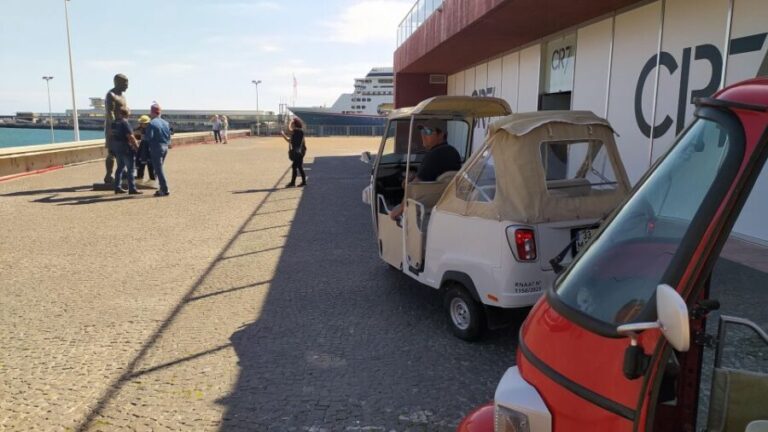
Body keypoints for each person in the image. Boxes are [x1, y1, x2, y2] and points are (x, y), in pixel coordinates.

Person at [389, 121, 461, 220]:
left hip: (426, 205)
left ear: (441, 135)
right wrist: (413, 177)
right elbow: (431, 174)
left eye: (428, 132)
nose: (423, 135)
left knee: (393, 210)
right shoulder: (453, 152)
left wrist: (401, 207)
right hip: (447, 202)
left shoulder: (434, 155)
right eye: (422, 131)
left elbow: (414, 187)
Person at [104, 73, 129, 184]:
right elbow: (110, 113)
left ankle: (123, 172)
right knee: (112, 152)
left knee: (122, 150)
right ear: (117, 82)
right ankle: (108, 175)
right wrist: (115, 127)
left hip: (122, 127)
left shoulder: (122, 96)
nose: (127, 86)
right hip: (113, 128)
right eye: (125, 83)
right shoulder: (111, 95)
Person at [111, 107, 141, 195]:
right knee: (130, 169)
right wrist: (137, 148)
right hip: (126, 148)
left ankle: (117, 187)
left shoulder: (114, 123)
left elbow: (111, 135)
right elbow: (130, 136)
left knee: (119, 168)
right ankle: (132, 188)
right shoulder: (125, 123)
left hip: (117, 148)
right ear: (128, 114)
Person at [146, 103, 172, 197]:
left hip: (156, 147)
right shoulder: (166, 123)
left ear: (152, 112)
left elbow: (148, 137)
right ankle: (161, 187)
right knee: (159, 168)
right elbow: (169, 136)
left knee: (158, 169)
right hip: (165, 146)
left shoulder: (152, 123)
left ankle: (164, 189)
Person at [281, 118, 307, 187]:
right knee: (299, 167)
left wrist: (290, 122)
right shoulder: (298, 132)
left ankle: (293, 183)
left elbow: (289, 130)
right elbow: (289, 140)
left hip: (298, 152)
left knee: (295, 166)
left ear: (295, 124)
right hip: (300, 152)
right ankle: (303, 182)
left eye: (292, 124)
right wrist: (283, 135)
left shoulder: (298, 131)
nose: (291, 125)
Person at [134, 115, 155, 183]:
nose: (140, 124)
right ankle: (140, 177)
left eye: (141, 123)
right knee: (141, 163)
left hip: (148, 148)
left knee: (150, 164)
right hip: (143, 148)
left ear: (145, 123)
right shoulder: (140, 128)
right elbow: (136, 136)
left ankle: (152, 178)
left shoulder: (150, 129)